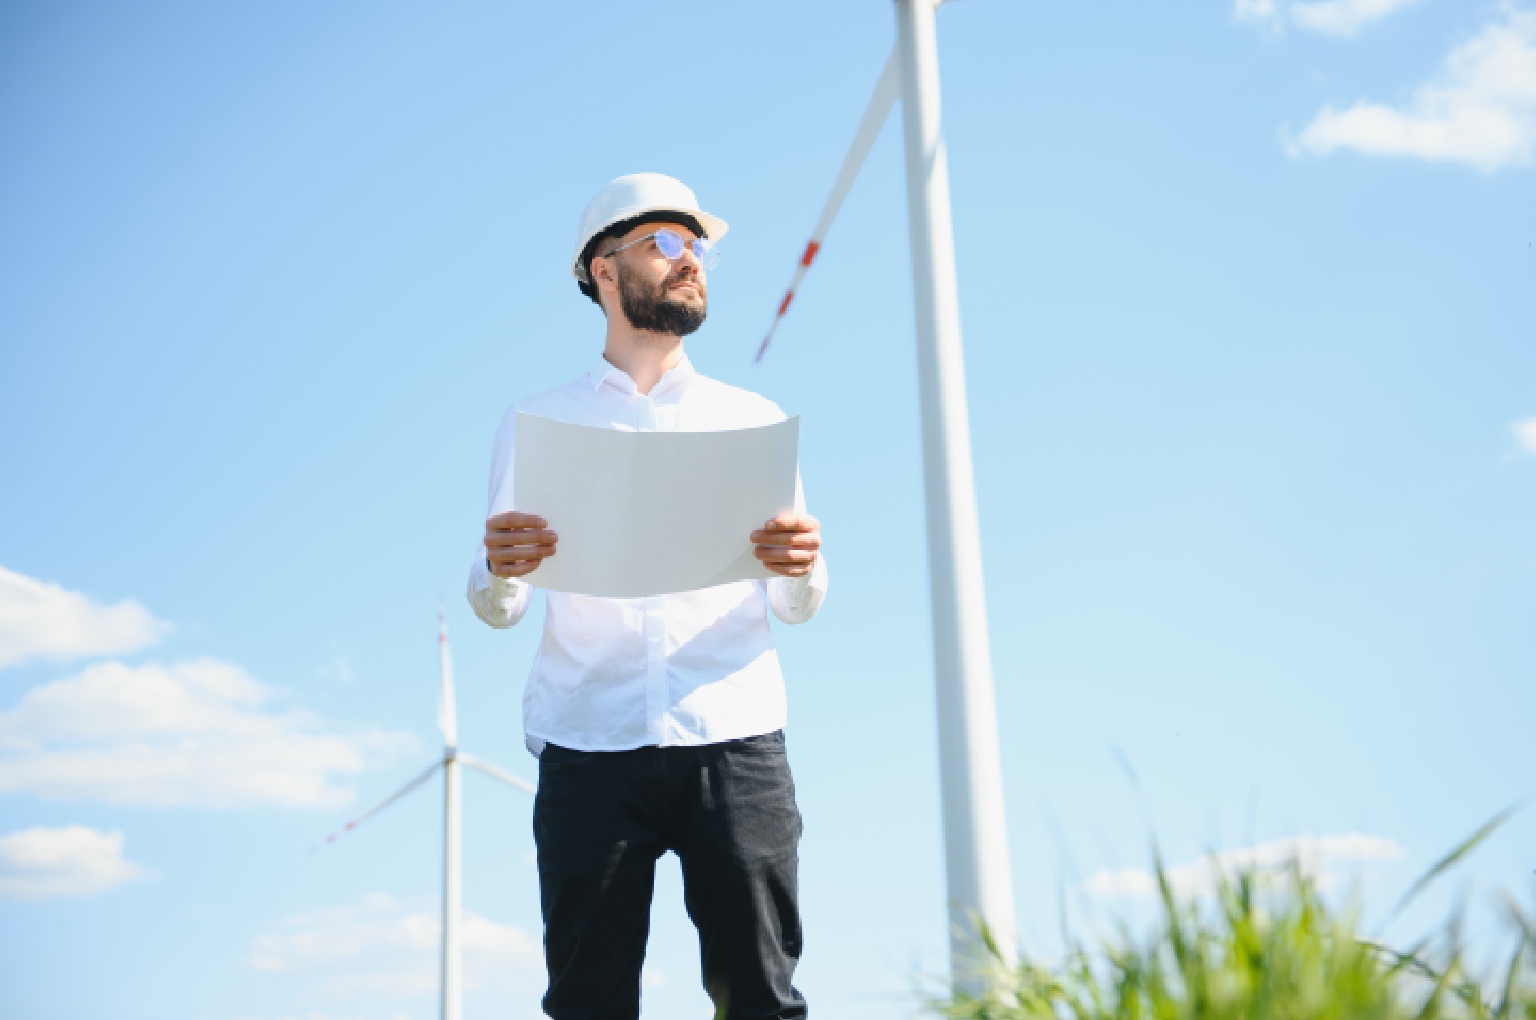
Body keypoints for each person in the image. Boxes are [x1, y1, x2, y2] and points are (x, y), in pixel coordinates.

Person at [466, 172, 828, 1020]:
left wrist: (803, 565)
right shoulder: (536, 423)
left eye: (696, 246)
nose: (689, 260)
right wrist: (500, 571)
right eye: (665, 243)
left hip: (736, 739)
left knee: (764, 1003)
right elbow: (498, 606)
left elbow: (799, 606)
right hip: (587, 741)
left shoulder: (752, 418)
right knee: (589, 1005)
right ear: (601, 269)